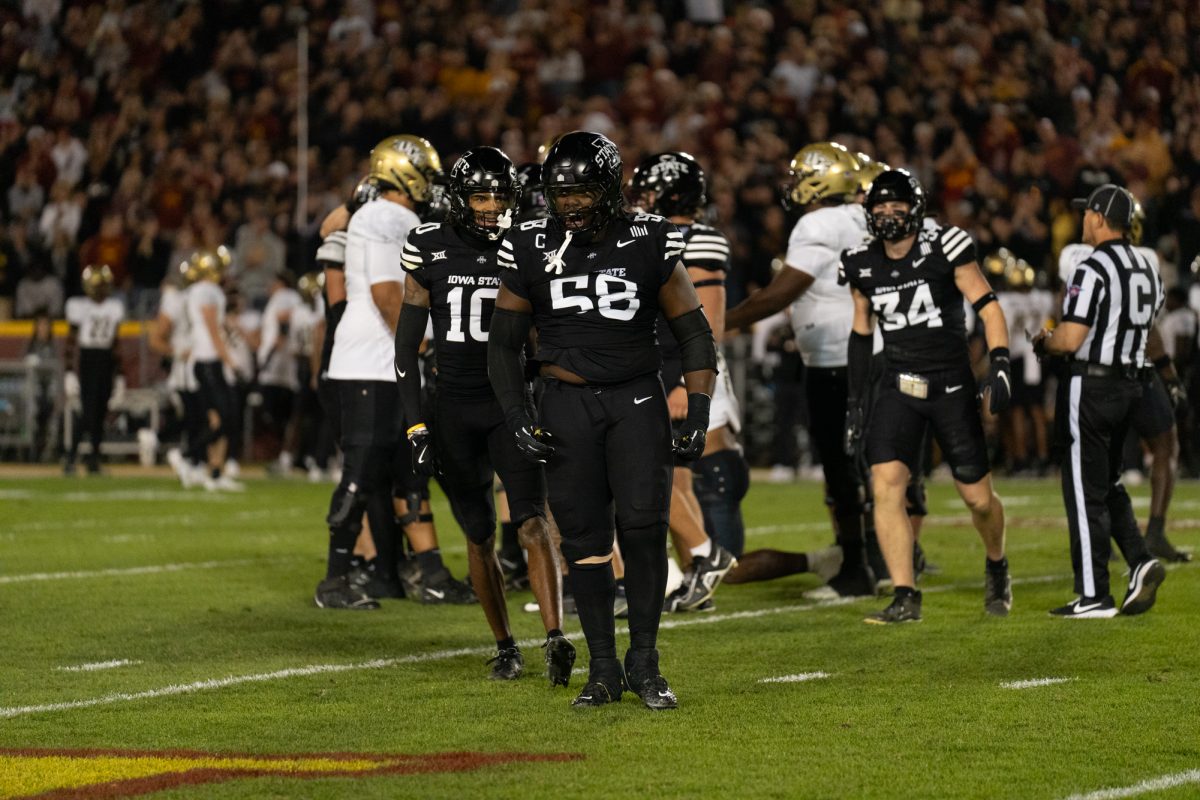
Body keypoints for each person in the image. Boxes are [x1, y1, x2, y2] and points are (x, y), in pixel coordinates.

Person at [488, 131, 717, 710]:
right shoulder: (528, 242)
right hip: (565, 403)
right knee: (585, 540)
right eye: (560, 193)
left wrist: (699, 408)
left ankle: (644, 660)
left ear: (610, 189)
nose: (569, 203)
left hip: (636, 399)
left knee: (642, 529)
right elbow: (504, 342)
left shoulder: (649, 236)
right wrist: (516, 412)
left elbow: (693, 331)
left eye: (582, 191)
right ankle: (603, 667)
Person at [396, 146, 573, 682]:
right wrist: (414, 421)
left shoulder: (529, 242)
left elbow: (548, 330)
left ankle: (555, 636)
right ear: (459, 198)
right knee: (476, 533)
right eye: (481, 195)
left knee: (532, 521)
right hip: (452, 407)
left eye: (500, 196)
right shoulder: (428, 244)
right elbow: (406, 346)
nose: (492, 206)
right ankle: (504, 644)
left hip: (510, 404)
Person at [842, 169, 1013, 624]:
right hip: (898, 385)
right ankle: (905, 594)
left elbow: (988, 305)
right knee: (885, 485)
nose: (889, 217)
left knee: (978, 498)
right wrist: (856, 402)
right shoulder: (860, 262)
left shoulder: (946, 246)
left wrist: (999, 362)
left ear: (916, 211)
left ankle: (996, 561)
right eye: (880, 210)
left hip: (951, 385)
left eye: (897, 209)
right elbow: (861, 334)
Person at [723, 142, 877, 597]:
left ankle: (856, 569)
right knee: (868, 465)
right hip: (868, 353)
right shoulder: (858, 215)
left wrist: (721, 322)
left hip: (835, 361)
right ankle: (884, 558)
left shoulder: (817, 222)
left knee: (841, 469)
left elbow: (779, 294)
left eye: (799, 176)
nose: (792, 186)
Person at [316, 134, 452, 609]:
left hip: (381, 360)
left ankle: (421, 571)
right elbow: (386, 293)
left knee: (405, 472)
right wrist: (423, 346)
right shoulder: (384, 215)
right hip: (373, 361)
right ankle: (335, 579)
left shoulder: (391, 215)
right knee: (361, 471)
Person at [1035, 185, 1167, 619]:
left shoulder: (1092, 267)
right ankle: (1141, 559)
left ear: (1096, 217)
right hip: (1132, 386)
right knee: (1106, 482)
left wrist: (1045, 342)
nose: (1082, 221)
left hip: (1091, 386)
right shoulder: (1148, 268)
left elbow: (1071, 338)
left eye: (1086, 213)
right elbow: (1150, 327)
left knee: (1082, 489)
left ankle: (1093, 594)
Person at [628, 151, 742, 611]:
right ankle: (692, 574)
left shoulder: (699, 240)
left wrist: (682, 383)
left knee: (647, 474)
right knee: (673, 480)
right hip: (653, 366)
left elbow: (707, 324)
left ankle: (703, 558)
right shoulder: (649, 232)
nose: (642, 198)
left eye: (650, 190)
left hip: (672, 372)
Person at [1058, 203, 1191, 564]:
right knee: (1161, 446)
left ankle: (1109, 548)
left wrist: (1053, 344)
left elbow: (1068, 316)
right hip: (1137, 372)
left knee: (1093, 468)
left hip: (1093, 373)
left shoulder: (1076, 258)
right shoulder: (1145, 261)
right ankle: (1151, 534)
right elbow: (1148, 330)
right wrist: (1170, 376)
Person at [185, 247, 243, 492]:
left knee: (219, 419)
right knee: (226, 419)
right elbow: (210, 326)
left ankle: (215, 471)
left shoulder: (201, 291)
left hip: (208, 359)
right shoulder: (206, 290)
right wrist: (228, 358)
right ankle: (188, 456)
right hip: (209, 359)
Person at [63, 265, 125, 475]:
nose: (99, 290)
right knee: (88, 412)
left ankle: (93, 460)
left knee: (100, 412)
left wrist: (120, 374)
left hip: (105, 359)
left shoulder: (114, 307)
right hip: (88, 359)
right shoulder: (78, 306)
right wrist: (69, 371)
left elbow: (116, 343)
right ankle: (71, 457)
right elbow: (71, 343)